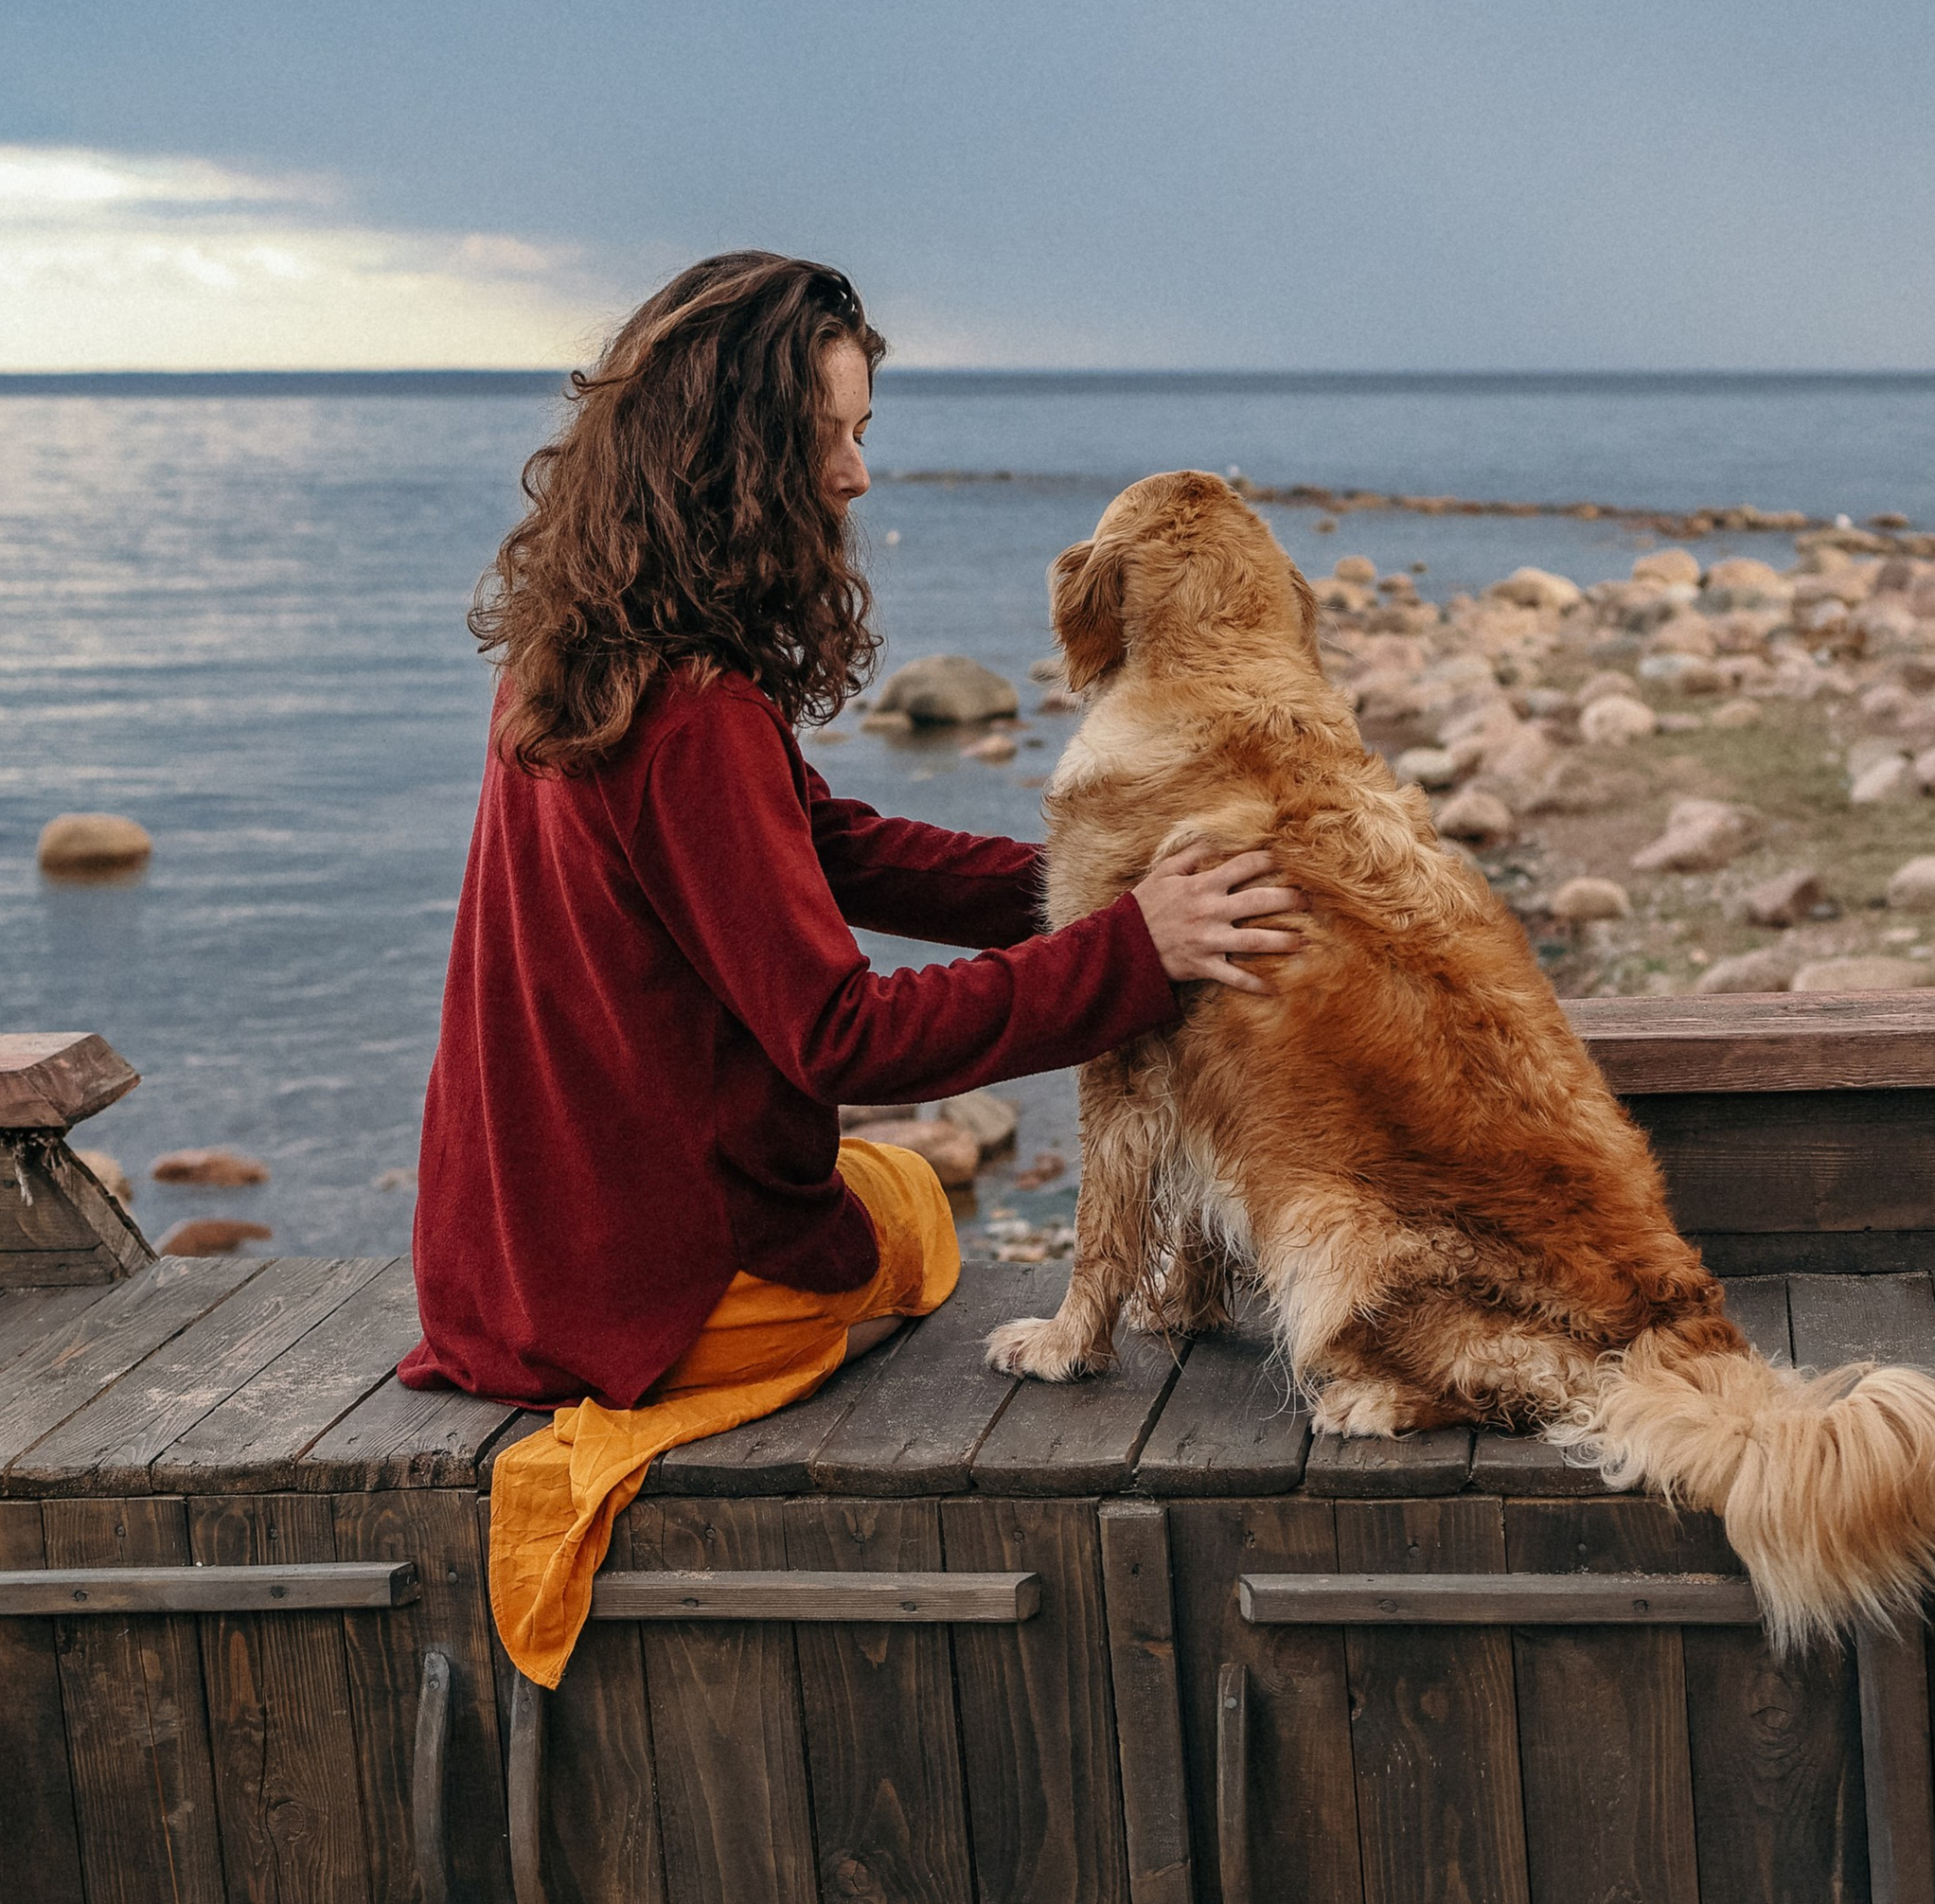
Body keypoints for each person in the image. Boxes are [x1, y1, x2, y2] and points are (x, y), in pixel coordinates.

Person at [399, 249, 1292, 1678]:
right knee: (909, 1218)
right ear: (741, 456)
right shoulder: (691, 715)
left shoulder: (577, 658)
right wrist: (1134, 954)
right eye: (837, 438)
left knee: (885, 1192)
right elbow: (843, 1039)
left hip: (499, 1263)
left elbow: (832, 842)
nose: (859, 477)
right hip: (647, 1297)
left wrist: (1083, 889)